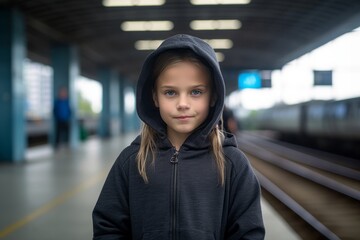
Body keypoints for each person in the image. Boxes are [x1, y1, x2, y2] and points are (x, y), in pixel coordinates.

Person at [92, 34, 265, 239]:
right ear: (155, 97)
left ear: (214, 96)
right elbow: (108, 228)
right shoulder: (131, 161)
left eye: (196, 92)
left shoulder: (233, 164)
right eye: (171, 93)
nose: (183, 103)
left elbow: (248, 233)